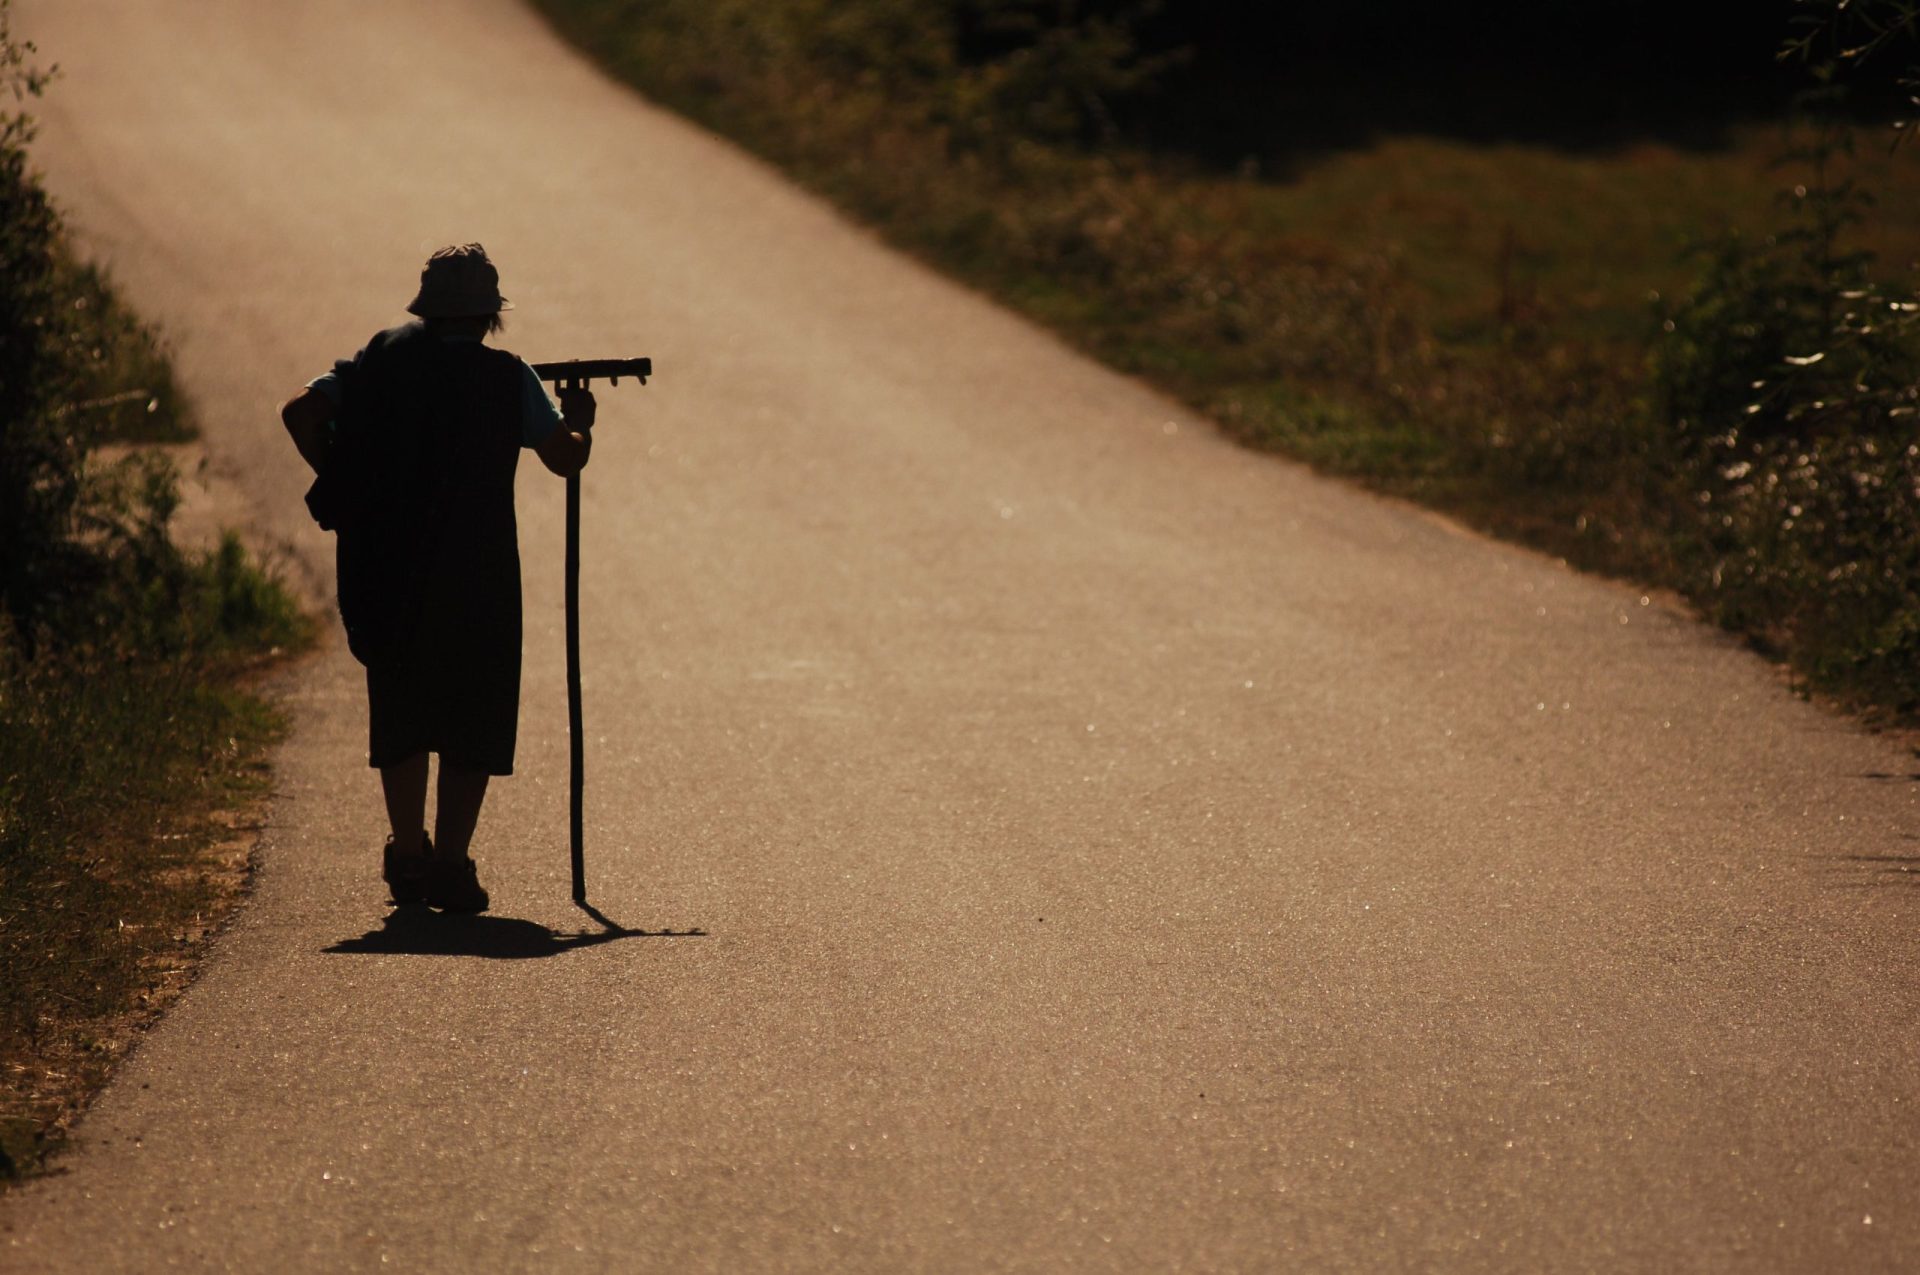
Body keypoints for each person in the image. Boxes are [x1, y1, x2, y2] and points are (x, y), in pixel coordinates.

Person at [281, 244, 594, 912]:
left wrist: (343, 480)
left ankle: (410, 854)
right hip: (478, 572)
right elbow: (564, 459)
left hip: (391, 565)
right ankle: (451, 861)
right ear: (488, 316)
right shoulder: (508, 377)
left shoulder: (378, 364)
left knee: (403, 706)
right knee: (470, 711)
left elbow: (300, 412)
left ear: (426, 309)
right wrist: (581, 425)